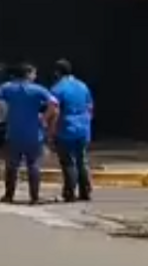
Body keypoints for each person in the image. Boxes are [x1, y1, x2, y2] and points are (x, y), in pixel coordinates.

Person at [0, 63, 59, 205]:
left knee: (12, 166)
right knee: (33, 165)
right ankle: (34, 197)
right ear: (28, 74)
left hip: (14, 133)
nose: (35, 76)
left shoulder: (8, 87)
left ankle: (9, 195)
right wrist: (44, 118)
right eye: (34, 73)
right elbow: (54, 104)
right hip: (33, 133)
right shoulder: (37, 89)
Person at [50, 59, 93, 202]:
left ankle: (69, 193)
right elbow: (90, 107)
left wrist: (51, 130)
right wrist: (86, 122)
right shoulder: (82, 85)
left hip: (66, 128)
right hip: (83, 127)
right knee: (82, 160)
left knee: (68, 162)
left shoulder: (57, 89)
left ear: (57, 72)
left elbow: (54, 111)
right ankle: (85, 192)